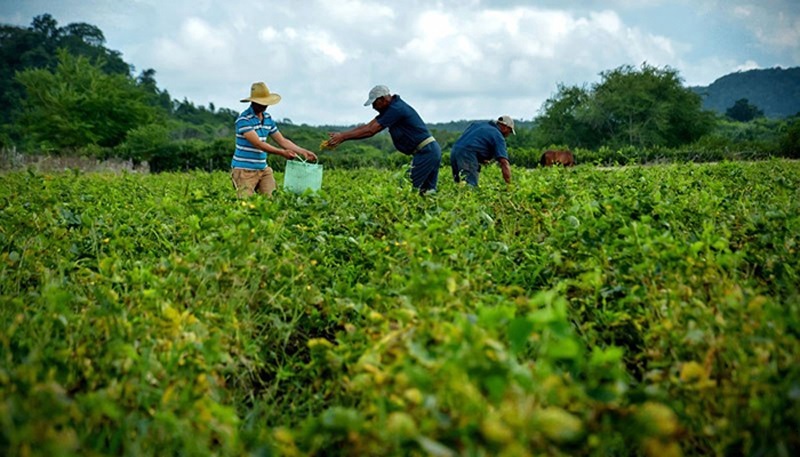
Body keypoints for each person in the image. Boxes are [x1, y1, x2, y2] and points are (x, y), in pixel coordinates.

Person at [325, 85, 441, 194]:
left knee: (404, 189)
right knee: (426, 192)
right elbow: (368, 126)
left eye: (374, 103)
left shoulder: (396, 109)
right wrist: (342, 135)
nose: (373, 107)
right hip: (430, 150)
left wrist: (343, 137)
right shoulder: (392, 108)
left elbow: (370, 131)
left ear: (383, 99)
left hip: (426, 152)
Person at [231, 82, 318, 198]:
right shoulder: (244, 120)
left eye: (266, 103)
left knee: (272, 200)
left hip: (263, 169)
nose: (265, 106)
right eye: (261, 103)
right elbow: (258, 144)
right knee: (245, 204)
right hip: (244, 170)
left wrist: (302, 151)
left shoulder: (267, 118)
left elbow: (282, 141)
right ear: (253, 102)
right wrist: (282, 153)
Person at [450, 115, 515, 187]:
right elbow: (504, 162)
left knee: (458, 184)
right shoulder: (498, 136)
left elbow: (473, 142)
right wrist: (509, 185)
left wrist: (481, 157)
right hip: (467, 154)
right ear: (505, 127)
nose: (508, 134)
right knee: (470, 186)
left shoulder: (479, 124)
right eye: (509, 131)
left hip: (455, 150)